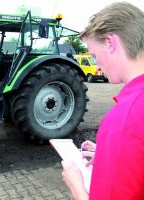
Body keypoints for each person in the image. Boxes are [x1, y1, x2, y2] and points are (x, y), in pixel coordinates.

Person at [61, 2, 144, 199]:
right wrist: (113, 154)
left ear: (110, 42)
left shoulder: (124, 120)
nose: (97, 66)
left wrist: (77, 186)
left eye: (95, 56)